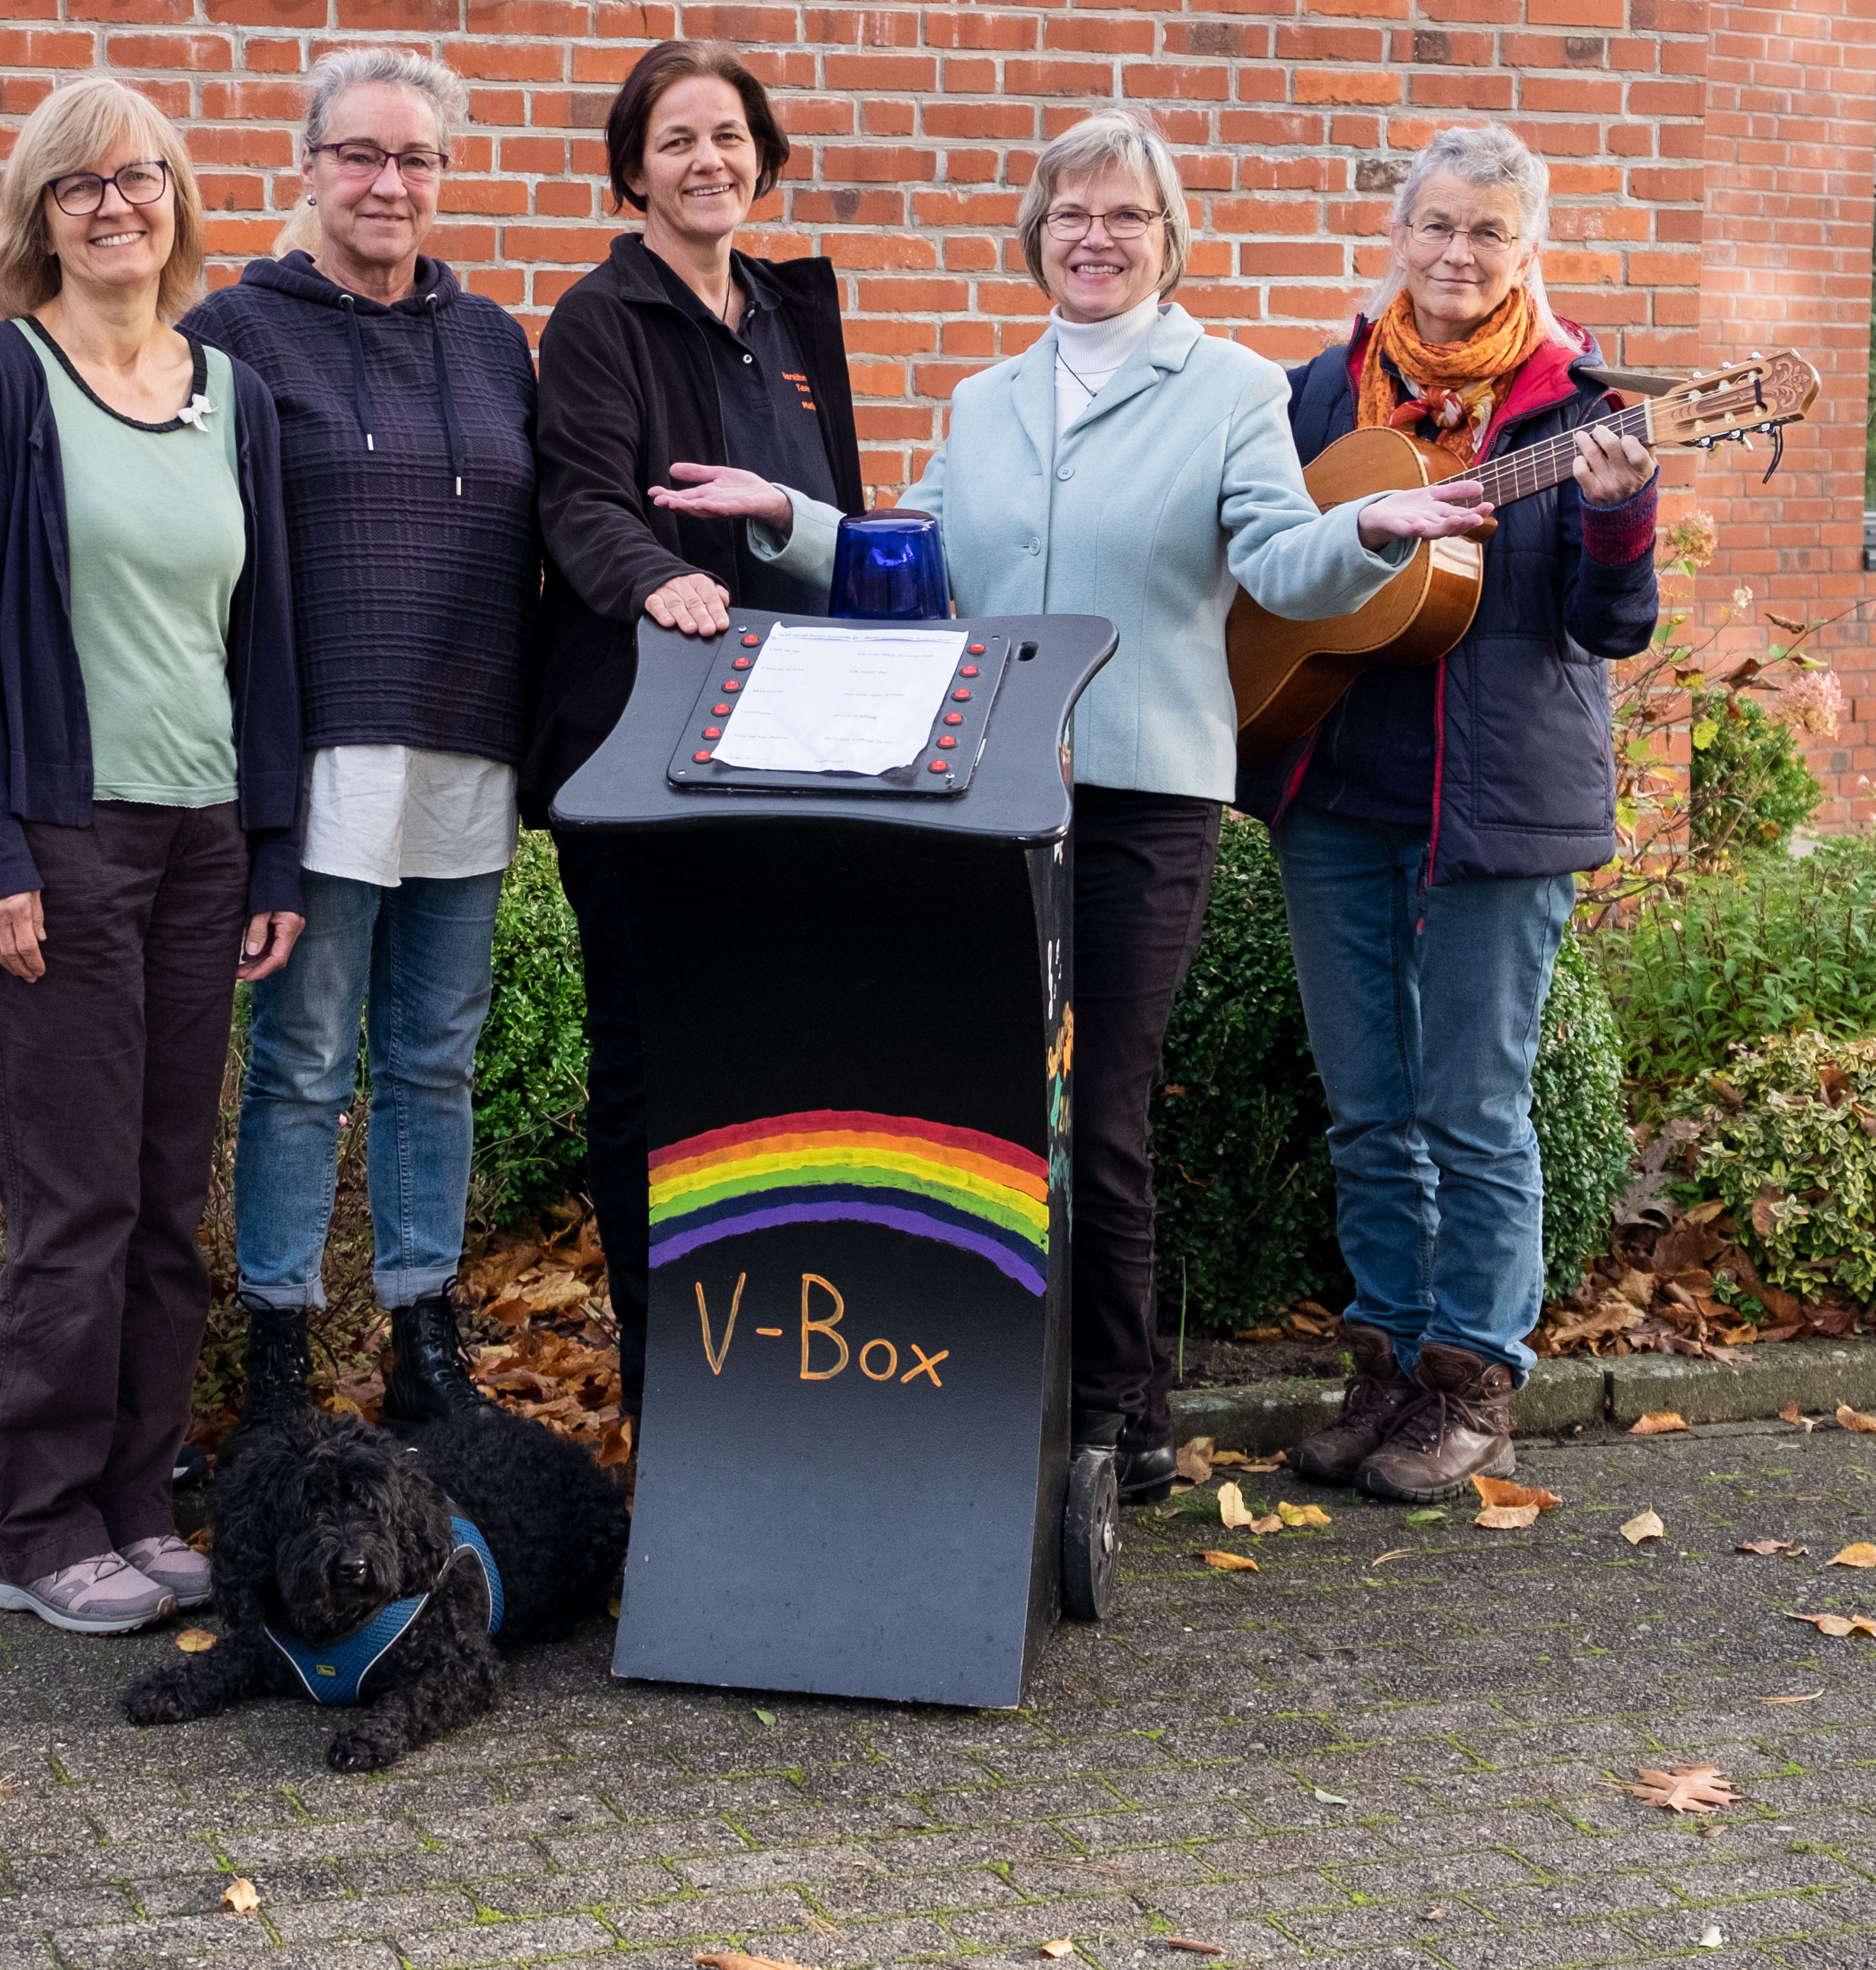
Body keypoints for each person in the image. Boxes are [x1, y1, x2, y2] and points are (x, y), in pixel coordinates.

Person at [650, 106, 1487, 1502]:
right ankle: (1002, 1391)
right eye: (1071, 215)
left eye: (1127, 217)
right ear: (1037, 237)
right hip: (999, 789)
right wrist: (781, 515)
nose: (1096, 238)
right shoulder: (989, 399)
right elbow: (909, 549)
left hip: (1147, 794)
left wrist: (1367, 532)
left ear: (1168, 242)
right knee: (990, 1101)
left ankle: (1121, 1409)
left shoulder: (1226, 387)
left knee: (1099, 1106)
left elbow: (1283, 563)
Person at [0, 77, 303, 1635]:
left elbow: (264, 641)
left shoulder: (234, 393)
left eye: (134, 177)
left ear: (176, 197)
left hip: (206, 843)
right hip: (65, 846)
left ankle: (139, 1499)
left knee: (163, 1195)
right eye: (72, 187)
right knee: (72, 1200)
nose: (109, 205)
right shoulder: (2, 380)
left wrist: (272, 856)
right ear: (38, 218)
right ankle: (35, 1523)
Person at [1234, 122, 1658, 1503]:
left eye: (1488, 232)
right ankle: (1388, 1365)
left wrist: (1618, 521)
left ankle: (1473, 1380)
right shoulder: (1319, 395)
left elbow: (1614, 627)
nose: (1456, 254)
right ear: (1397, 235)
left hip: (1501, 804)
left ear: (1527, 250)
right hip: (1335, 782)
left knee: (1472, 1102)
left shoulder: (1578, 410)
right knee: (1367, 1105)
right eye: (1436, 225)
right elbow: (1260, 555)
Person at [178, 49, 538, 1427]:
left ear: (443, 174)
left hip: (468, 739)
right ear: (309, 166)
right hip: (325, 745)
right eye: (361, 156)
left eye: (417, 159)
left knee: (434, 1056)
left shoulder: (493, 337)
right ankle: (279, 1346)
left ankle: (420, 1334)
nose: (389, 184)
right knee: (305, 1058)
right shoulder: (236, 334)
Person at [523, 38, 867, 1424]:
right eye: (676, 141)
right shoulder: (601, 319)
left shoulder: (793, 315)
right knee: (654, 1056)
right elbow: (577, 501)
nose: (707, 161)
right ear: (633, 170)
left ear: (764, 160)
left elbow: (833, 503)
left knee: (776, 1050)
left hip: (796, 738)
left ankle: (768, 1356)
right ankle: (670, 1369)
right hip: (644, 743)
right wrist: (660, 578)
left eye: (729, 137)